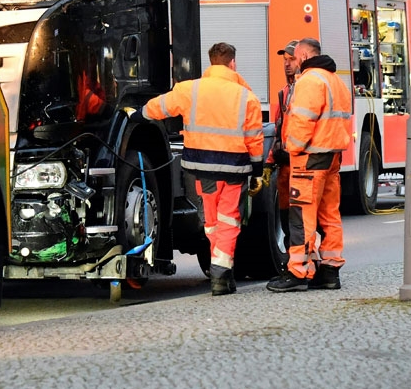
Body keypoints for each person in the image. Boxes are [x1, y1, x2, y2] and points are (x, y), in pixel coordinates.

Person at [130, 42, 263, 296]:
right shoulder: (247, 97)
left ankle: (221, 269)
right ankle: (221, 274)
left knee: (212, 221)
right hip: (233, 170)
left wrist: (138, 115)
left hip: (202, 168)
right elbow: (254, 138)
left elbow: (161, 106)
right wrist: (257, 170)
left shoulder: (190, 89)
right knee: (228, 220)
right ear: (232, 64)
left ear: (210, 63)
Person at [266, 37, 352, 292]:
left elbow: (302, 122)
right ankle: (329, 269)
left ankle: (298, 270)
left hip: (309, 159)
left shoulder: (309, 81)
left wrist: (289, 150)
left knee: (302, 216)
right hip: (332, 157)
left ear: (303, 56)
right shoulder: (336, 81)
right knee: (329, 215)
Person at [269, 39, 300, 246]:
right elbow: (278, 129)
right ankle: (294, 264)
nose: (286, 64)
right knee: (288, 223)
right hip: (285, 168)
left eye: (291, 59)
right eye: (284, 60)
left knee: (300, 222)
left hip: (300, 166)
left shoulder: (304, 90)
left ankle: (302, 267)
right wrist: (269, 161)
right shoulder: (284, 92)